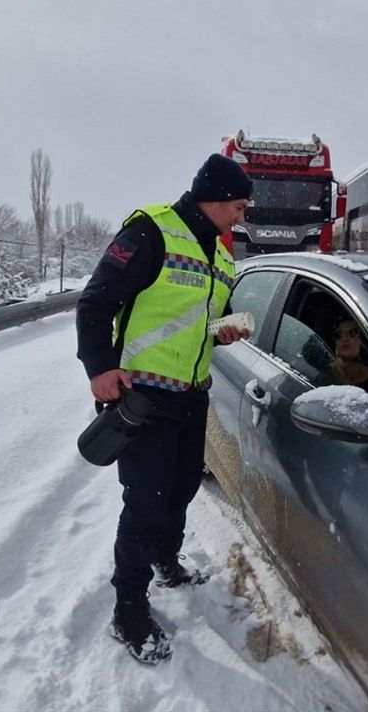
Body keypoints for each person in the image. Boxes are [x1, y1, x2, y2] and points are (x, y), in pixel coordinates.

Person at [75, 153, 252, 665]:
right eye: (239, 206)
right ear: (215, 198)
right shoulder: (152, 231)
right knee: (146, 501)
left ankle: (165, 560)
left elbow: (200, 325)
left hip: (191, 393)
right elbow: (96, 302)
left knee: (181, 488)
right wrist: (99, 367)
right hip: (144, 397)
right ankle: (128, 606)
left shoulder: (221, 257)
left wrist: (227, 330)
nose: (242, 217)